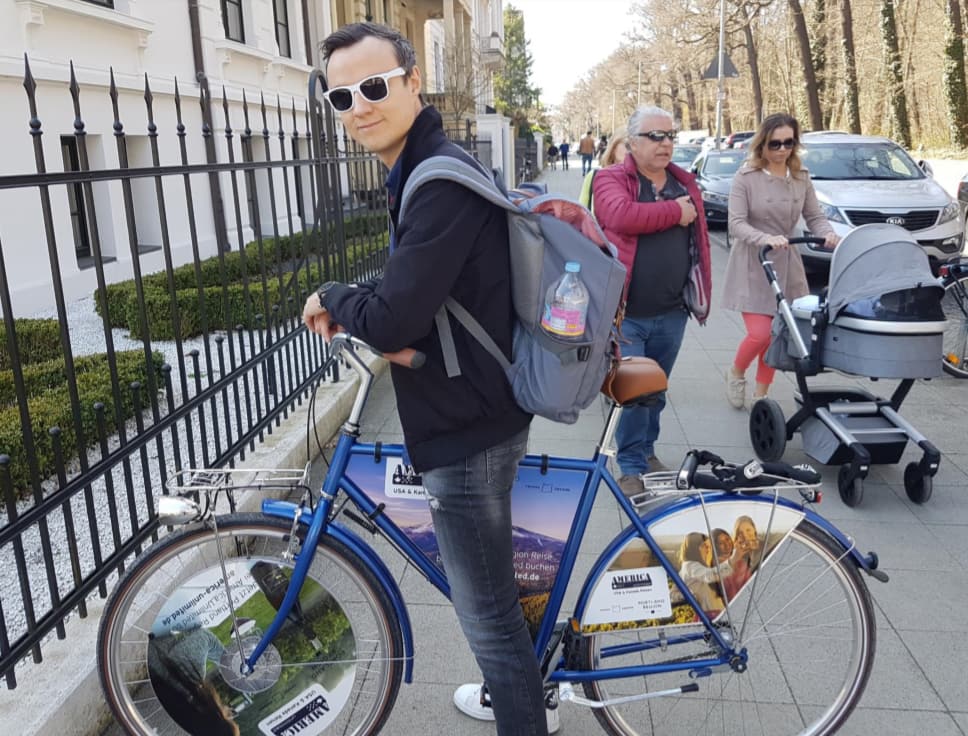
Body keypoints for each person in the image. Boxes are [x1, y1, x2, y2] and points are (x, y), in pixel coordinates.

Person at [300, 23, 552, 735]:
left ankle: (525, 708)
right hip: (476, 406)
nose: (359, 106)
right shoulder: (423, 168)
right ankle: (524, 689)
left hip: (467, 431)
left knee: (493, 625)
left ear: (413, 81)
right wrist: (370, 306)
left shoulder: (436, 179)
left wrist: (331, 296)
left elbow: (393, 316)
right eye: (341, 95)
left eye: (374, 86)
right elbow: (424, 294)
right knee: (498, 608)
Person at [593, 106, 712, 496]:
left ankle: (646, 452)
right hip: (628, 314)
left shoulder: (684, 182)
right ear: (631, 143)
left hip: (672, 312)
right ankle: (628, 465)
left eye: (670, 135)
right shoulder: (610, 178)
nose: (666, 143)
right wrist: (674, 213)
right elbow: (621, 216)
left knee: (656, 391)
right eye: (655, 136)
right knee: (633, 392)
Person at [722, 112, 840, 408]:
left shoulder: (800, 177)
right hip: (754, 262)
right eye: (775, 144)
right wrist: (764, 238)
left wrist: (827, 234)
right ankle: (736, 371)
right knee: (760, 334)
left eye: (788, 143)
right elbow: (736, 223)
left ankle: (762, 396)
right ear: (762, 144)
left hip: (788, 264)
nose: (782, 150)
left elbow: (814, 215)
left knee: (778, 336)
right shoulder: (746, 177)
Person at [578, 133, 627, 211]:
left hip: (585, 153)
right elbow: (581, 213)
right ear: (613, 148)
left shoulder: (645, 180)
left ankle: (584, 170)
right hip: (590, 153)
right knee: (589, 165)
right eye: (627, 145)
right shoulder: (594, 177)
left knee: (584, 164)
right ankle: (586, 170)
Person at [723, 515, 761, 600]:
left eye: (748, 530)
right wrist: (735, 558)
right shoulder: (737, 555)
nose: (745, 536)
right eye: (740, 533)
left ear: (754, 529)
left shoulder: (765, 546)